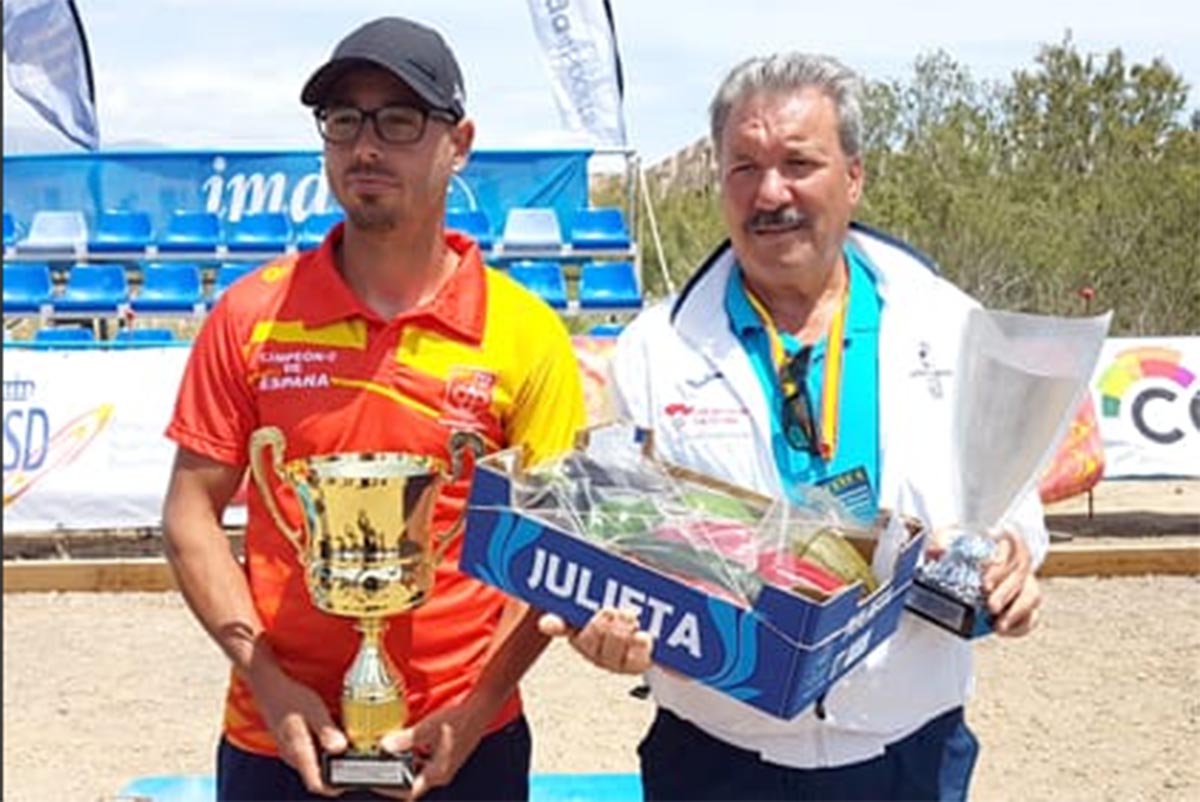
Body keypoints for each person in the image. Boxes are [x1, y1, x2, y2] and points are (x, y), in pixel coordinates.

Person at [541, 52, 1044, 801]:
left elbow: (1014, 510)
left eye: (798, 162)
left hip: (910, 752)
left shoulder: (953, 324)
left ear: (855, 176)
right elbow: (628, 542)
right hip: (715, 759)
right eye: (743, 167)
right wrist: (604, 629)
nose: (770, 192)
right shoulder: (655, 349)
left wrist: (1013, 560)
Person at [162, 16, 585, 801]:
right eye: (343, 120)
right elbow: (190, 513)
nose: (365, 146)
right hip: (273, 739)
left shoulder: (525, 334)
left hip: (468, 743)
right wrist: (266, 679)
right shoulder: (250, 315)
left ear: (458, 143)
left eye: (398, 119)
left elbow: (556, 550)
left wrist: (479, 700)